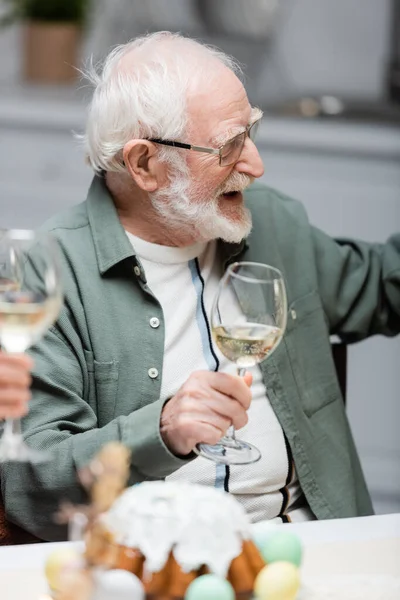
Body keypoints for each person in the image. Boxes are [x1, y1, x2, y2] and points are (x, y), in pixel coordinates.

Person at [0, 32, 399, 541]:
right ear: (144, 163)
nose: (256, 165)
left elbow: (385, 286)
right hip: (156, 564)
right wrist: (161, 430)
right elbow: (32, 478)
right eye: (230, 146)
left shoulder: (274, 222)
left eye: (251, 133)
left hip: (312, 544)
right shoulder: (51, 269)